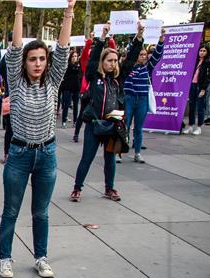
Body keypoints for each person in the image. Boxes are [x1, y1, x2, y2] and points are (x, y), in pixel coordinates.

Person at [0, 0, 74, 278]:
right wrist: (19, 10)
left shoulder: (53, 82)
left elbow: (63, 50)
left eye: (42, 58)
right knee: (11, 211)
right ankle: (5, 258)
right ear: (25, 63)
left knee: (40, 212)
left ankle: (41, 257)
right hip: (19, 154)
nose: (37, 63)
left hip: (47, 154)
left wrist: (68, 12)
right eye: (33, 59)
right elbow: (15, 49)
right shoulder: (15, 81)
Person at [71, 22, 143, 203]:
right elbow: (93, 57)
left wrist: (139, 36)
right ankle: (77, 188)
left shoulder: (118, 79)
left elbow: (131, 59)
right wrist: (102, 37)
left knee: (110, 159)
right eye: (109, 60)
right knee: (87, 158)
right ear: (102, 63)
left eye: (114, 60)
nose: (113, 63)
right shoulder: (93, 77)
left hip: (113, 123)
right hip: (95, 122)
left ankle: (109, 188)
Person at [121, 31, 166, 164]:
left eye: (144, 55)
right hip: (129, 98)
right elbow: (130, 52)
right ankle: (120, 152)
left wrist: (161, 41)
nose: (143, 57)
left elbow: (157, 56)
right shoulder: (128, 67)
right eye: (140, 55)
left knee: (139, 128)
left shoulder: (147, 67)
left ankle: (137, 152)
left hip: (142, 99)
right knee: (125, 126)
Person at [185, 44, 210, 136]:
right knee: (191, 106)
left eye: (204, 51)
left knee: (200, 107)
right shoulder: (196, 61)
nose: (202, 52)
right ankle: (190, 125)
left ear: (207, 52)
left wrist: (203, 89)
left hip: (200, 86)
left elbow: (208, 77)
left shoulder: (208, 62)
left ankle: (199, 127)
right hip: (193, 85)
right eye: (201, 50)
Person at [60, 49, 81, 128]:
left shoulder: (78, 65)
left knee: (76, 105)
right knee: (66, 104)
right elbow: (73, 70)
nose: (74, 58)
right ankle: (64, 121)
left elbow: (78, 72)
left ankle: (75, 121)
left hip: (76, 87)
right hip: (68, 87)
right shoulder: (68, 65)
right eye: (73, 56)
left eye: (75, 56)